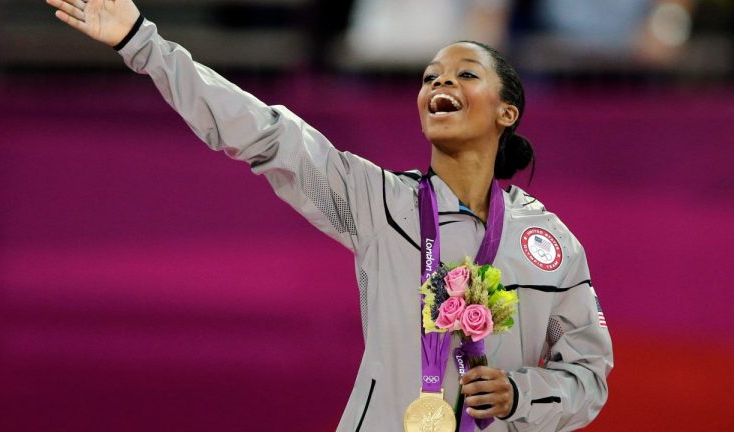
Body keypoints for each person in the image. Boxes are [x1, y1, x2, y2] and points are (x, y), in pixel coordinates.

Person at [45, 1, 613, 431]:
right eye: (430, 76)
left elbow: (589, 373)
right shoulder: (379, 201)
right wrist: (143, 42)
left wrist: (522, 394)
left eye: (466, 74)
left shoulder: (548, 242)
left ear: (506, 110)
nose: (440, 82)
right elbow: (263, 132)